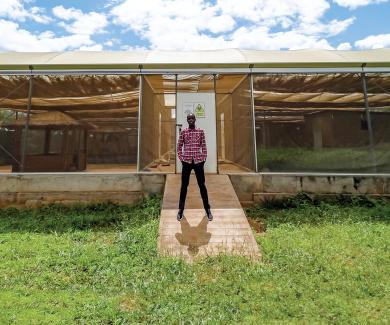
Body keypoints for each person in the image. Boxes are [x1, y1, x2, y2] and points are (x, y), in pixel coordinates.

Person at [177, 113, 213, 222]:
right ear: (187, 120)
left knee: (202, 185)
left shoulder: (200, 131)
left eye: (192, 118)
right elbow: (179, 146)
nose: (191, 120)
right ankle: (180, 210)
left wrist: (203, 159)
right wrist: (182, 158)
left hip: (198, 162)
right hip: (187, 162)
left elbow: (203, 145)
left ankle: (208, 210)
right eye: (189, 118)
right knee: (184, 186)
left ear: (195, 119)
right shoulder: (183, 132)